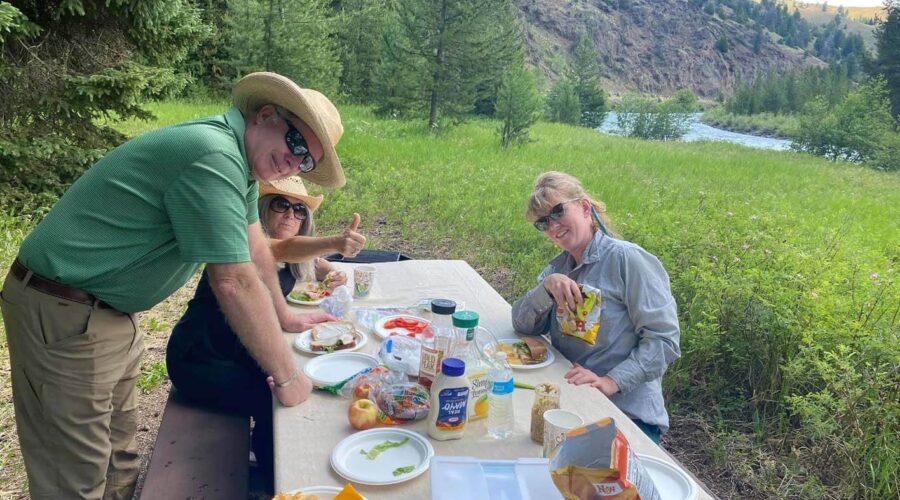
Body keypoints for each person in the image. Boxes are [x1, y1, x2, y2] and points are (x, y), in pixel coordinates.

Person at [0, 72, 347, 499]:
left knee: (119, 457)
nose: (294, 163)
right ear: (266, 115)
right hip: (64, 309)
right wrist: (288, 376)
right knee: (74, 476)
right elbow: (234, 281)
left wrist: (285, 315)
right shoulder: (212, 154)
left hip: (107, 313)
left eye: (307, 162)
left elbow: (256, 248)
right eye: (296, 144)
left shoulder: (239, 165)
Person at [165, 177, 365, 491]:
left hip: (237, 354)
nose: (290, 214)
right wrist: (337, 242)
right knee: (275, 401)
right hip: (199, 359)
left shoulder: (294, 258)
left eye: (299, 210)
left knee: (299, 381)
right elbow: (280, 249)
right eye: (281, 204)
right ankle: (276, 484)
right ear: (260, 210)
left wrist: (332, 271)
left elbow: (305, 258)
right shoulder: (242, 247)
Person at [511, 172, 681, 443]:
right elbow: (522, 324)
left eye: (558, 212)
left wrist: (611, 382)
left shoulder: (627, 259)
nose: (553, 226)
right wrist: (545, 289)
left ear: (585, 207)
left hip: (626, 415)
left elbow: (664, 340)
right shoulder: (559, 268)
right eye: (543, 222)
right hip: (573, 399)